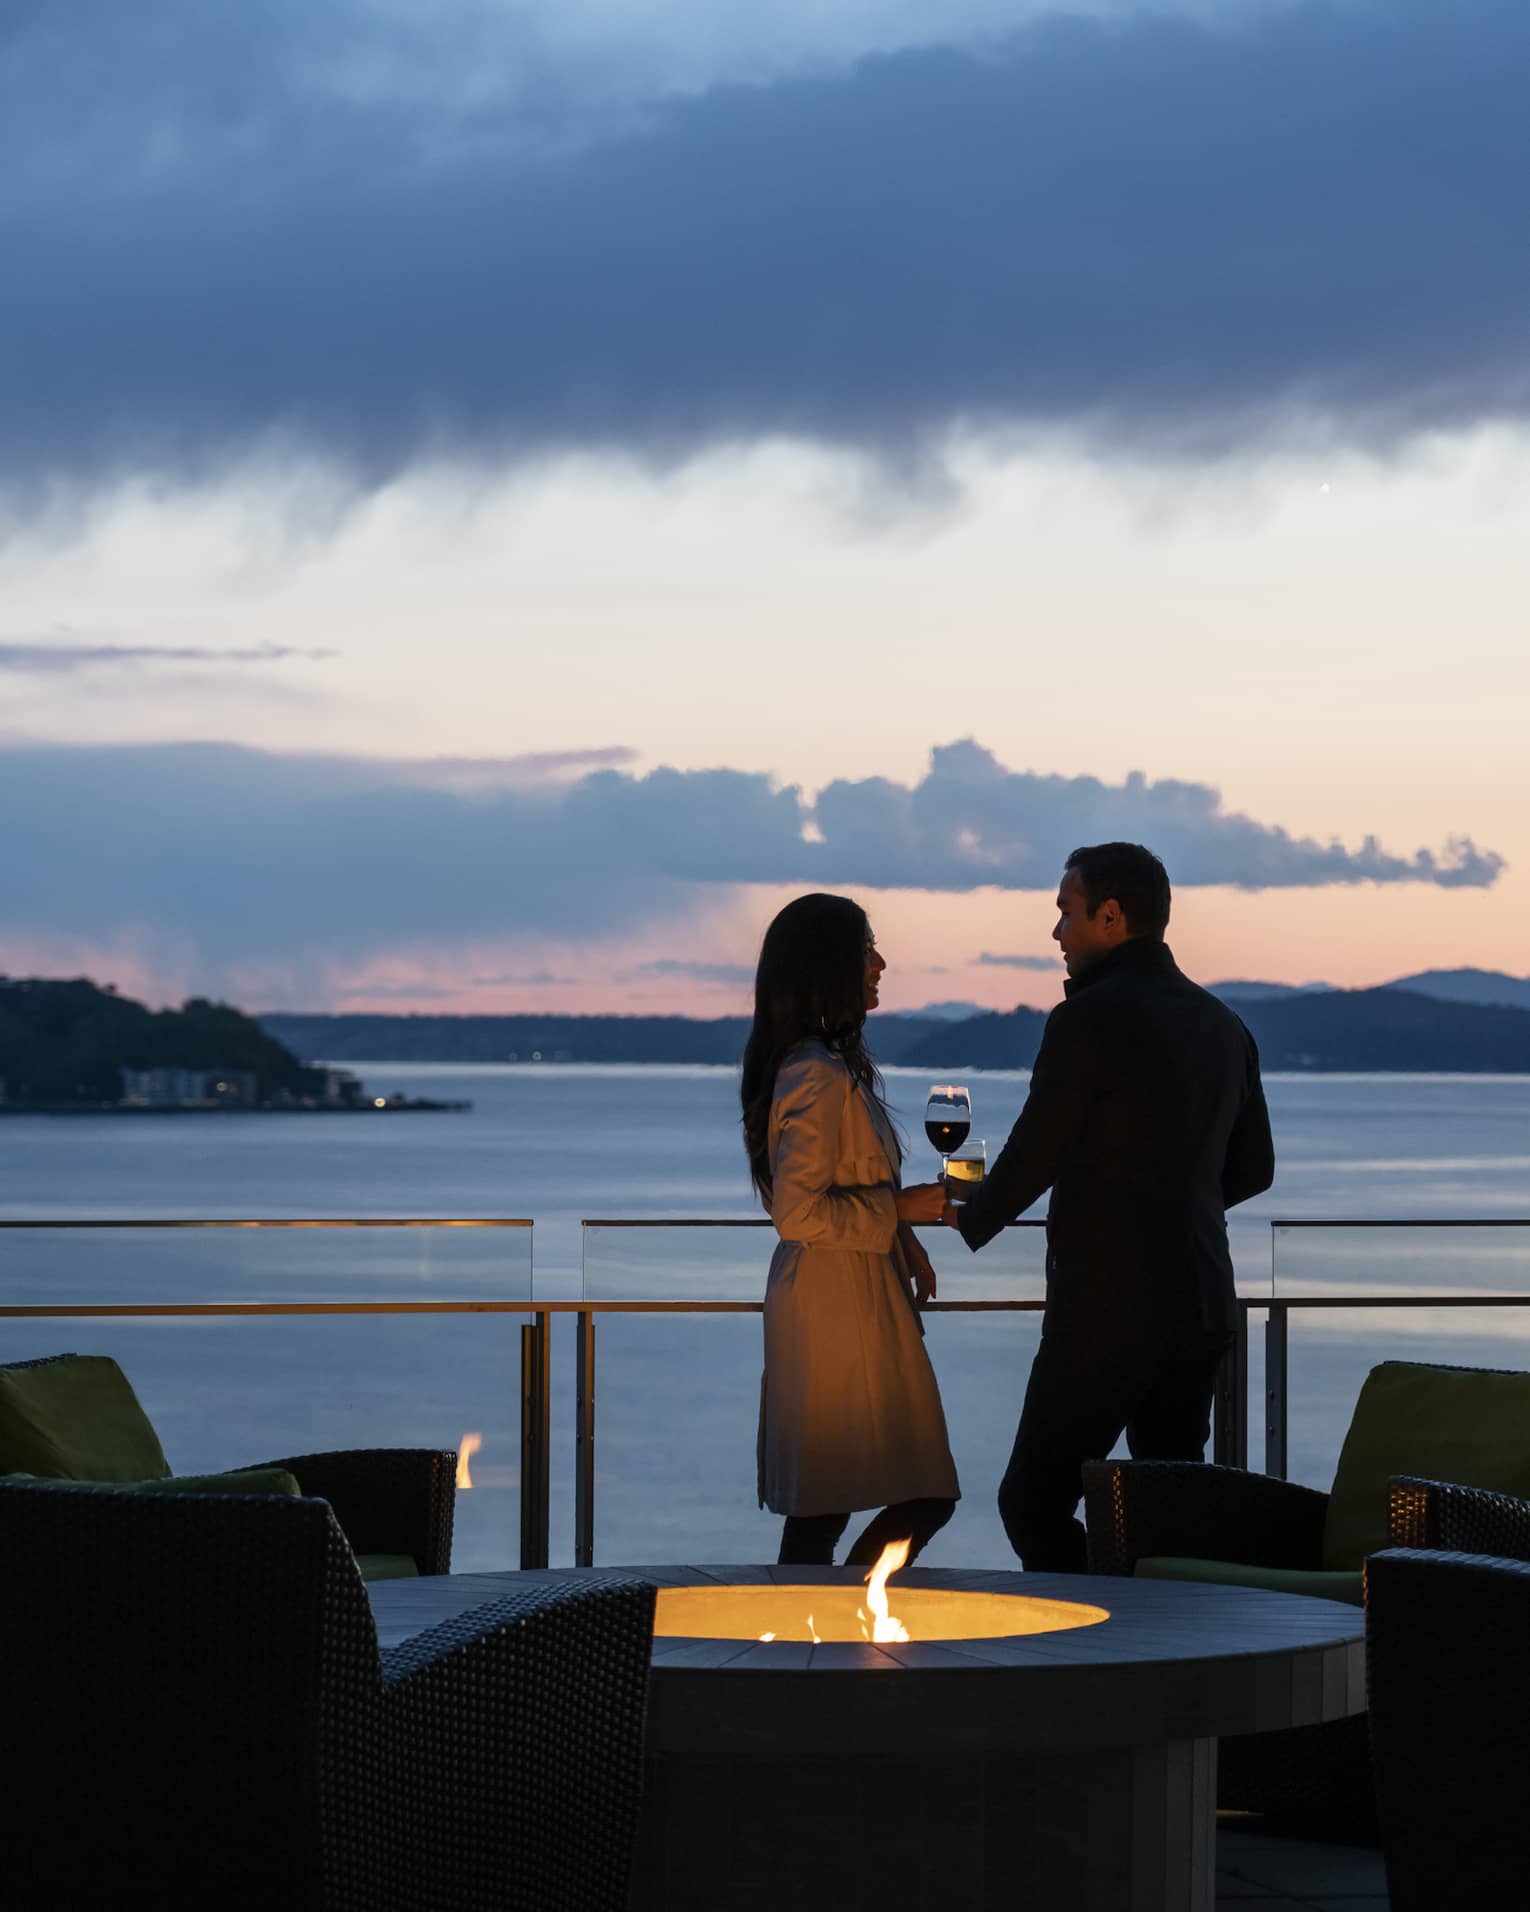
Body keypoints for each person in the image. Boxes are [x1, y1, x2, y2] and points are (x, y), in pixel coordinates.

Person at [950, 842, 1274, 1572]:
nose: (1056, 933)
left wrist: (966, 1213)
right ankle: (1164, 1661)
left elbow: (1037, 1154)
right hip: (1201, 1303)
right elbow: (1255, 1169)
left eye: (1065, 913)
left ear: (1111, 915)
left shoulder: (1088, 1019)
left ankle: (1094, 1645)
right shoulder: (1225, 1025)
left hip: (1107, 1309)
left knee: (1032, 1501)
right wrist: (1166, 1201)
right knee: (1168, 1512)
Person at [742, 892, 961, 1567]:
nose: (881, 962)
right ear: (827, 967)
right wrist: (898, 1214)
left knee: (830, 1505)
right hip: (836, 1306)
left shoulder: (831, 1068)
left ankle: (814, 1639)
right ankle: (840, 1625)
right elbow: (799, 1211)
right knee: (899, 1495)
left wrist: (906, 1239)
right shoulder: (814, 1072)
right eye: (866, 949)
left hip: (852, 1293)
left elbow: (850, 1183)